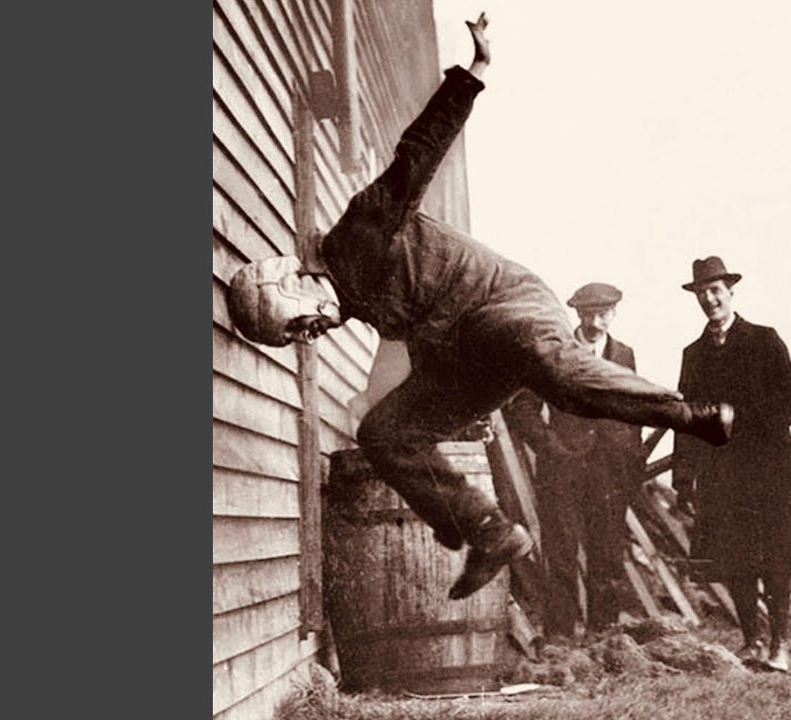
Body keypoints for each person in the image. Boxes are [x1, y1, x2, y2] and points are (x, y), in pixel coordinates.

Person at [225, 14, 734, 602]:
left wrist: (473, 72)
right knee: (383, 432)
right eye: (299, 338)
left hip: (505, 303)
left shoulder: (359, 231)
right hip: (463, 348)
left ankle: (690, 414)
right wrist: (452, 414)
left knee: (553, 374)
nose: (310, 334)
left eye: (298, 324)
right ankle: (490, 532)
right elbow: (415, 327)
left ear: (294, 284)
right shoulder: (353, 298)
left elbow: (418, 151)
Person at [671, 257, 791, 673]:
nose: (709, 299)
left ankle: (780, 645)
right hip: (720, 470)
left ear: (731, 292)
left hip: (768, 466)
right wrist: (684, 479)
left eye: (715, 290)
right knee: (734, 557)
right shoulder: (694, 354)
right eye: (701, 293)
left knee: (774, 556)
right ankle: (752, 640)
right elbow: (685, 419)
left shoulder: (763, 340)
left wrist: (740, 417)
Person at [504, 283, 644, 636]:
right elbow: (523, 409)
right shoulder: (554, 353)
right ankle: (560, 639)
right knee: (562, 553)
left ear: (614, 313)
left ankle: (604, 637)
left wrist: (630, 458)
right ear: (577, 314)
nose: (595, 323)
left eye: (603, 314)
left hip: (609, 471)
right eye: (588, 315)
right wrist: (552, 448)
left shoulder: (624, 354)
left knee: (607, 555)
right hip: (562, 470)